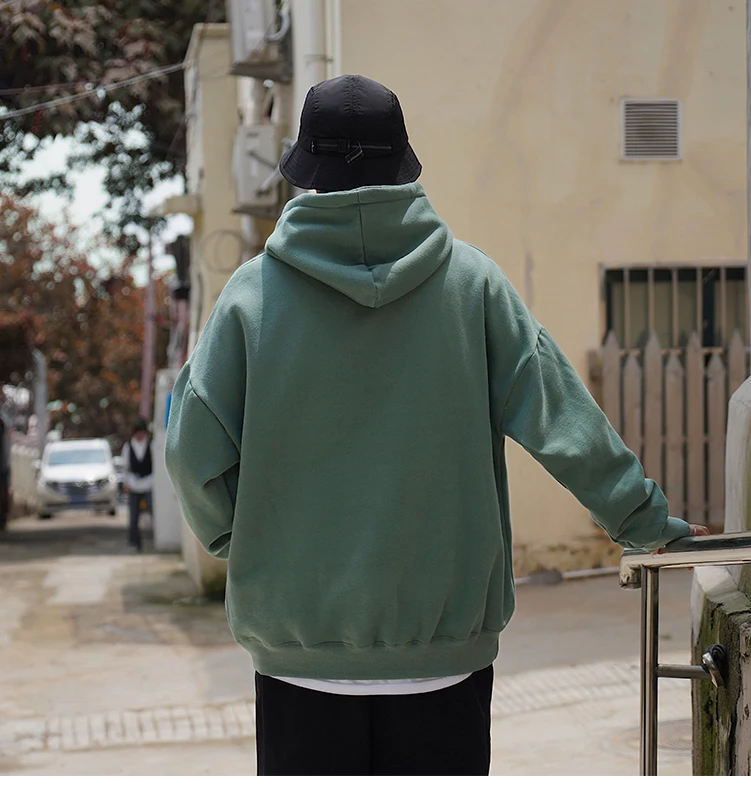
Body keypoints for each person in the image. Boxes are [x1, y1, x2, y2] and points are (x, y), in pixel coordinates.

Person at [165, 74, 709, 776]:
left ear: (305, 172)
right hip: (446, 660)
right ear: (402, 164)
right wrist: (642, 521)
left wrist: (240, 539)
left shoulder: (249, 298)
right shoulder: (472, 286)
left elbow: (191, 451)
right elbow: (561, 418)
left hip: (298, 659)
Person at [122, 418, 153, 553]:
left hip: (149, 483)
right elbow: (125, 467)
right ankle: (134, 542)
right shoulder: (128, 446)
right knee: (134, 516)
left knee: (153, 512)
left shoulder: (151, 445)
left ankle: (154, 539)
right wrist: (126, 483)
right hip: (134, 484)